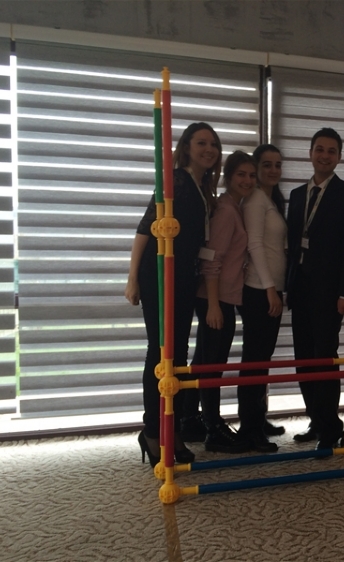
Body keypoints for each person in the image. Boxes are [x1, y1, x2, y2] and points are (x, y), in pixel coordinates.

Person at [125, 122, 221, 468]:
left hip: (183, 278)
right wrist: (132, 277)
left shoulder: (201, 186)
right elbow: (146, 227)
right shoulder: (176, 180)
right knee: (161, 352)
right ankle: (152, 430)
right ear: (186, 147)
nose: (208, 149)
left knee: (177, 356)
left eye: (213, 144)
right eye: (201, 143)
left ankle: (172, 428)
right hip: (159, 274)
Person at [286, 128, 344, 449]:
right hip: (300, 288)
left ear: (339, 157)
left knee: (324, 357)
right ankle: (316, 420)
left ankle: (331, 428)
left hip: (331, 292)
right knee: (303, 359)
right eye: (319, 149)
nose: (324, 155)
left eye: (331, 151)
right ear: (310, 153)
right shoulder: (296, 195)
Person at [192, 151, 269, 454]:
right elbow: (211, 260)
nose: (247, 180)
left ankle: (198, 420)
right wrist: (213, 305)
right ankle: (213, 428)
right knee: (213, 366)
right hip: (216, 298)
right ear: (228, 176)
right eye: (241, 175)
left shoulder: (233, 207)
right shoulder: (226, 211)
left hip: (222, 297)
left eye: (251, 175)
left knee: (207, 362)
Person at [236, 144, 288, 447]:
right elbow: (254, 245)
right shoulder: (255, 200)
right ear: (256, 168)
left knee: (262, 358)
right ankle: (249, 428)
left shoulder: (270, 199)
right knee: (254, 360)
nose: (273, 170)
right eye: (267, 164)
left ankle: (258, 417)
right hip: (258, 290)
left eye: (277, 165)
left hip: (270, 288)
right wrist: (270, 289)